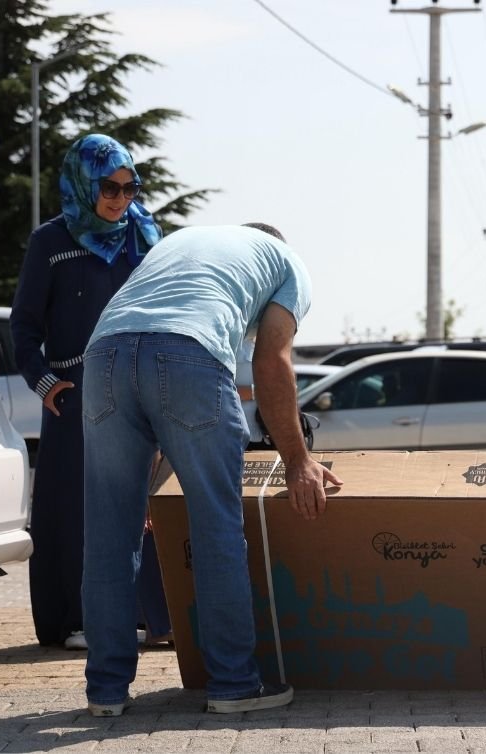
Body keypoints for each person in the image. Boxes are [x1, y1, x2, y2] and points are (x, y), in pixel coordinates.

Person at [79, 223, 344, 717]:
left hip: (103, 356)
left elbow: (143, 351)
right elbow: (271, 362)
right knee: (216, 527)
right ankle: (233, 685)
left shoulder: (179, 246)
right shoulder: (289, 264)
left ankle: (105, 691)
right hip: (189, 353)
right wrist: (297, 460)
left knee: (111, 534)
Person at [10, 134, 171, 650]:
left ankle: (148, 616)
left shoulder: (145, 238)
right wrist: (44, 382)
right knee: (76, 507)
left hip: (137, 387)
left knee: (140, 501)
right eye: (109, 186)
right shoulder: (50, 242)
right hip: (74, 395)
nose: (120, 198)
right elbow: (24, 326)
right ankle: (78, 619)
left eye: (130, 187)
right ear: (84, 181)